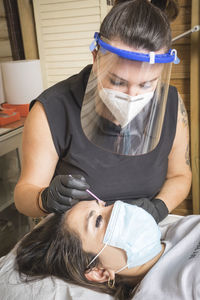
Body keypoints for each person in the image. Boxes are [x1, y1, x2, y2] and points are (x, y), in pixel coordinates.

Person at [14, 0, 192, 223]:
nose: (132, 96)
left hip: (143, 229)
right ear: (96, 58)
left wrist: (157, 209)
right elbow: (23, 195)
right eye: (118, 82)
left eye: (146, 85)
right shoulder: (52, 109)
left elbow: (180, 175)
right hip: (76, 239)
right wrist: (44, 199)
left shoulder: (172, 106)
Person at [1, 200, 199, 300]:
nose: (118, 208)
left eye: (103, 204)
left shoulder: (179, 229)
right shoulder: (163, 293)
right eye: (97, 220)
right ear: (99, 272)